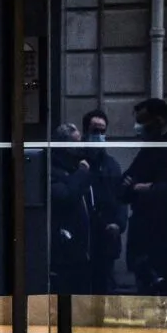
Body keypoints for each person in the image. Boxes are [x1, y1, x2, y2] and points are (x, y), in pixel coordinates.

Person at [119, 98, 167, 295]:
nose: (137, 127)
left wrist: (151, 189)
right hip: (147, 241)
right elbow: (124, 184)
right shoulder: (151, 147)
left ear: (159, 120)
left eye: (141, 121)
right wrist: (137, 187)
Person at [81, 108, 127, 294]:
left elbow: (120, 198)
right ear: (86, 132)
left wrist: (119, 224)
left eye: (102, 131)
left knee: (103, 287)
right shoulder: (79, 162)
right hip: (85, 237)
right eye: (95, 131)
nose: (99, 135)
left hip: (106, 237)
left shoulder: (111, 165)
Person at [48, 122, 92, 296]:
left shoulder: (75, 168)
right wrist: (81, 173)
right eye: (75, 143)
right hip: (65, 251)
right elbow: (66, 195)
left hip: (81, 251)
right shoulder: (54, 171)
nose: (80, 147)